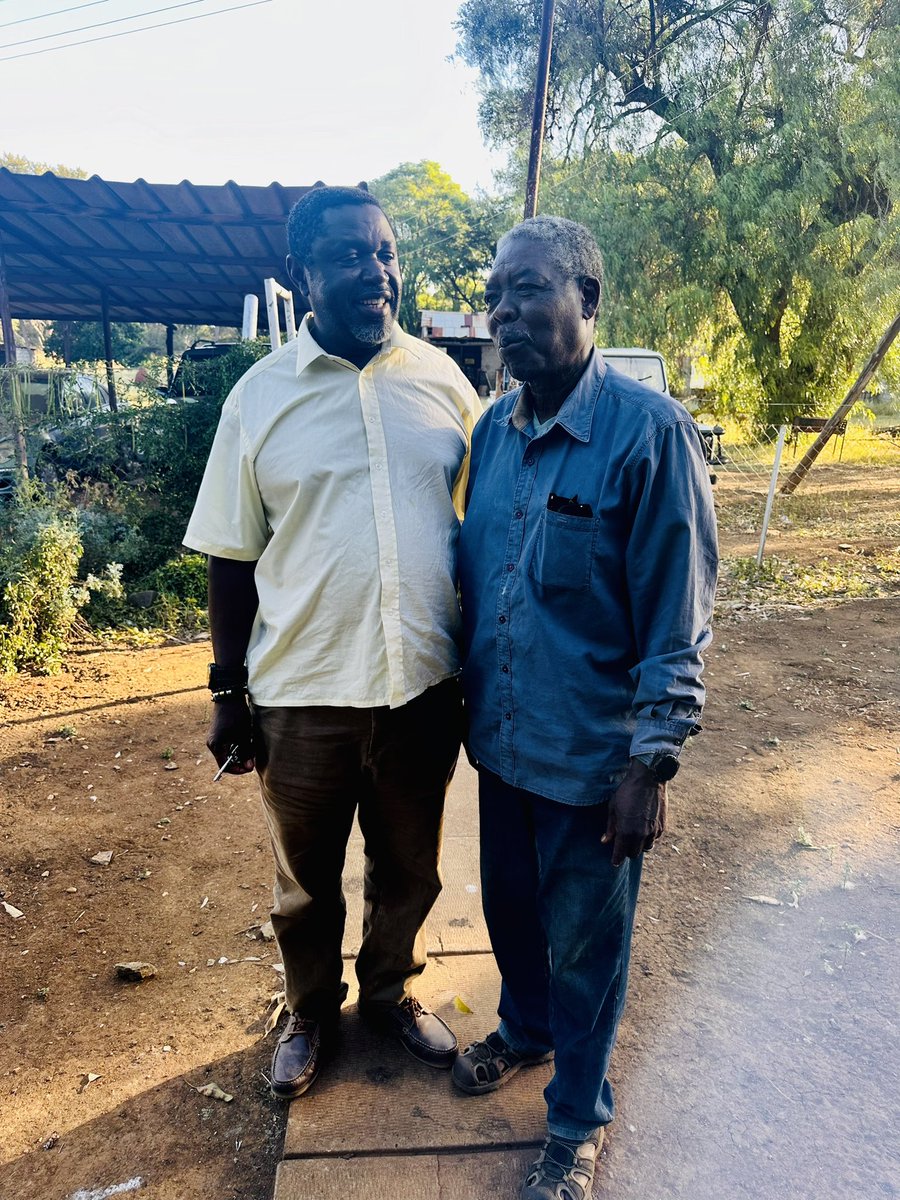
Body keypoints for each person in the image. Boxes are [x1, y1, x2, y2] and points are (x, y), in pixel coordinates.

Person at [184, 185, 482, 1102]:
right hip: (302, 693)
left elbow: (482, 531)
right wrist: (227, 692)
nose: (376, 271)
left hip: (420, 689)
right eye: (351, 254)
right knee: (305, 882)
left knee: (411, 868)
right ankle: (311, 1011)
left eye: (386, 252)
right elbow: (232, 556)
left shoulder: (443, 383)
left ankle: (390, 991)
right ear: (302, 272)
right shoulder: (259, 398)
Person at [453, 216, 717, 1200]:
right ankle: (524, 1033)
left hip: (594, 761)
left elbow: (675, 617)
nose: (507, 312)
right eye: (497, 294)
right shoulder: (494, 432)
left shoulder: (650, 437)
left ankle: (575, 1122)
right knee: (517, 922)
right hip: (506, 746)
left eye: (529, 289)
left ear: (587, 302)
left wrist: (651, 764)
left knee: (588, 950)